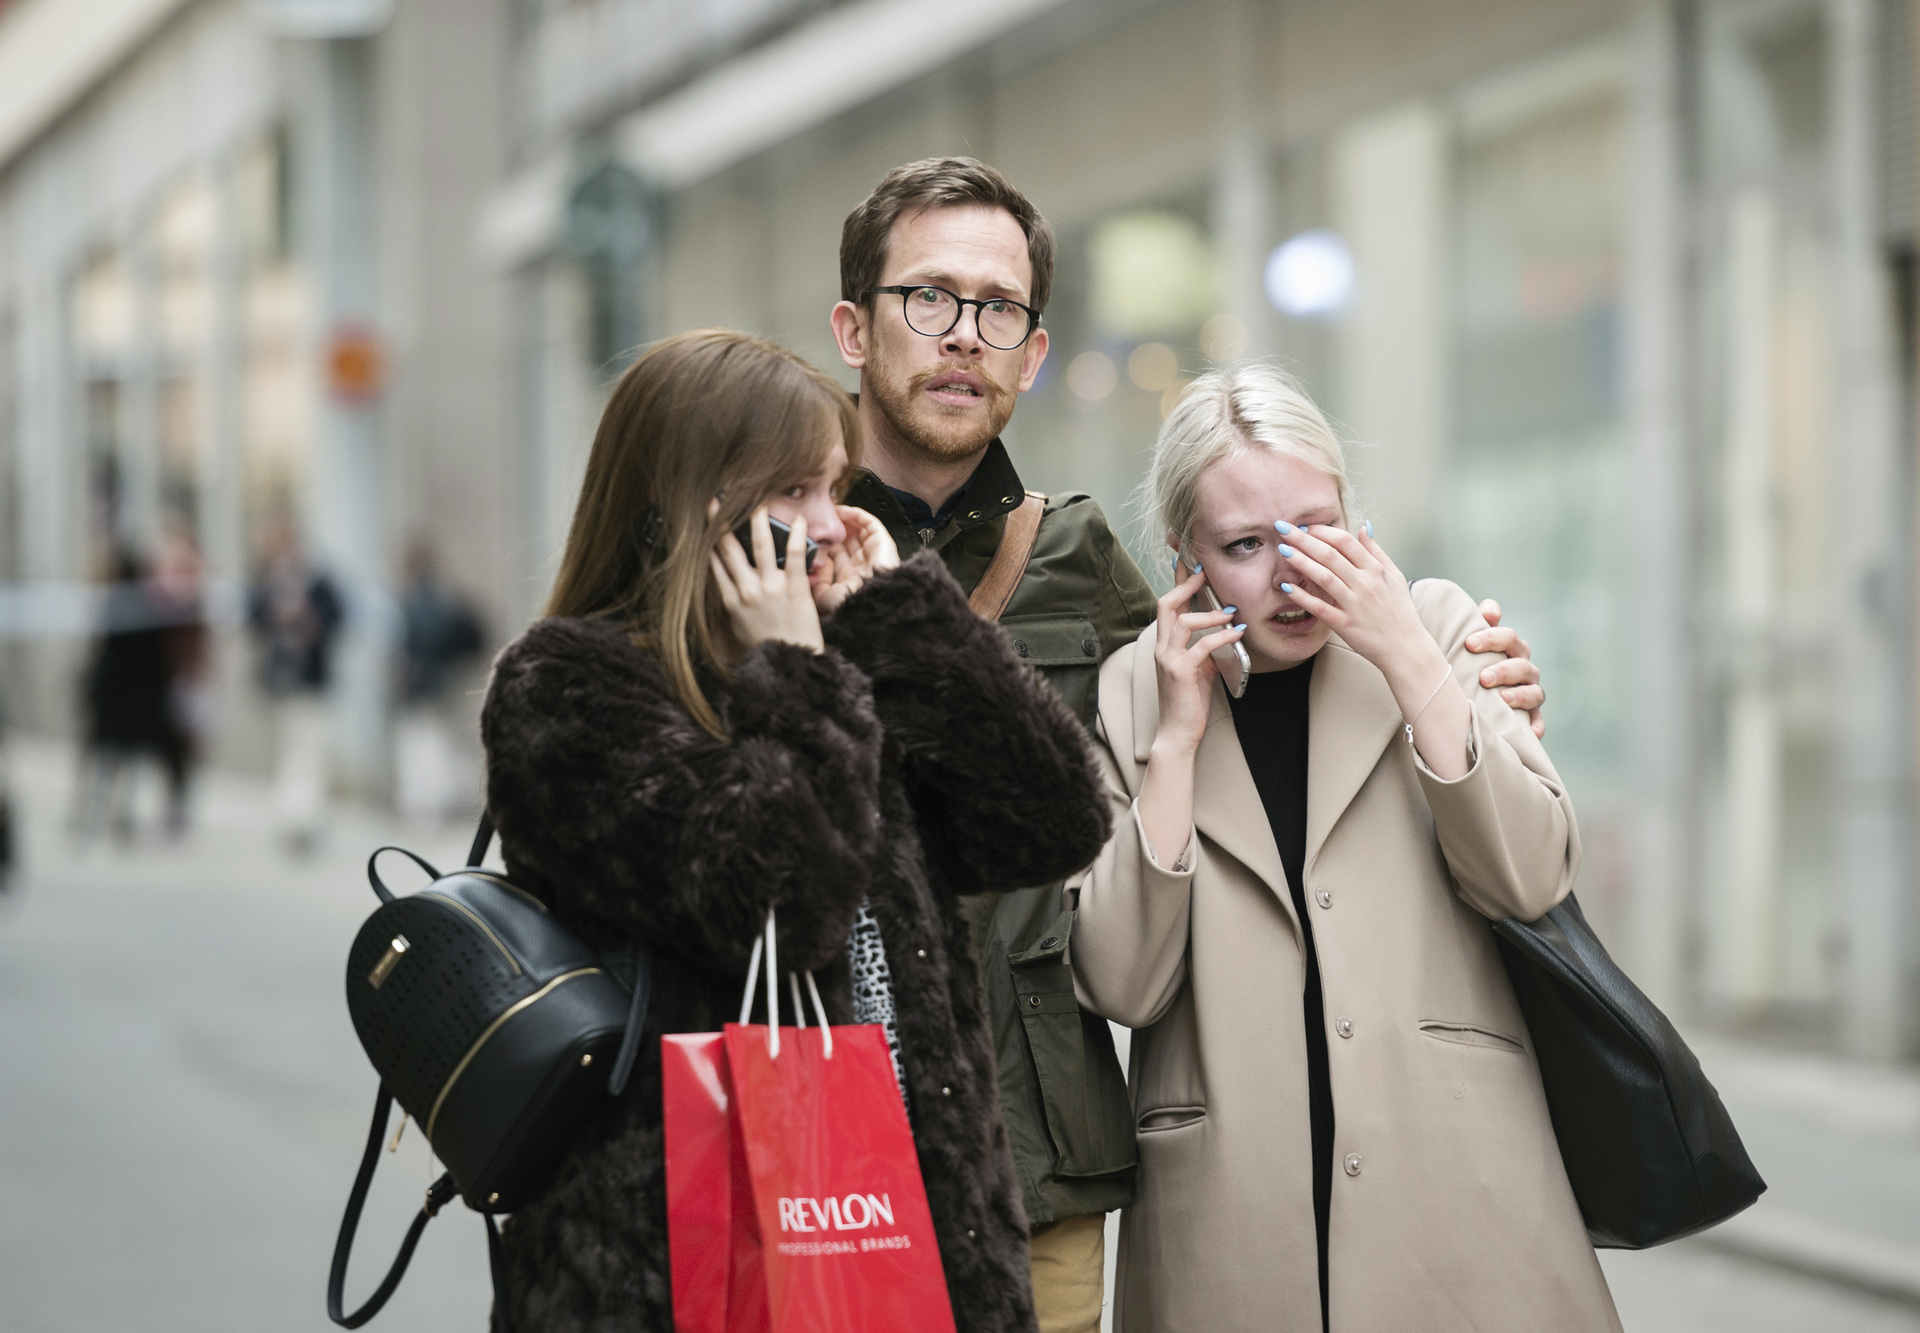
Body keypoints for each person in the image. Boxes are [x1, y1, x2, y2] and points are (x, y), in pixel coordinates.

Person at [826, 156, 1555, 1332]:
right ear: (855, 328)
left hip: (1031, 1163)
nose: (964, 335)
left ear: (1033, 349)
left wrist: (1476, 690)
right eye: (930, 298)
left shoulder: (1077, 566)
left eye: (997, 308)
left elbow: (1237, 678)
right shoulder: (776, 537)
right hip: (816, 1124)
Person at [478, 328, 1113, 1333]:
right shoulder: (566, 690)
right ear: (679, 503)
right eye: (793, 493)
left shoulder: (840, 667)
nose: (829, 524)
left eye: (834, 487)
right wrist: (802, 675)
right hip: (690, 1264)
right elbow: (772, 901)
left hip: (909, 1225)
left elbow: (1052, 817)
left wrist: (902, 613)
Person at [1068, 364, 1621, 1333]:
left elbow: (1531, 874)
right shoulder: (1130, 695)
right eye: (1245, 545)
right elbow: (1124, 982)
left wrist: (1409, 657)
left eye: (1320, 528)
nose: (1295, 574)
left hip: (1455, 1194)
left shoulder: (1443, 631)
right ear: (1181, 556)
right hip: (1231, 1224)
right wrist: (1176, 744)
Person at [247, 520, 342, 854]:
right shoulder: (270, 584)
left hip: (310, 682)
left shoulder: (318, 584)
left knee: (309, 751)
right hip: (279, 683)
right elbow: (253, 617)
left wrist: (309, 618)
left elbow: (336, 618)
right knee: (285, 752)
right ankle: (289, 816)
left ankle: (306, 817)